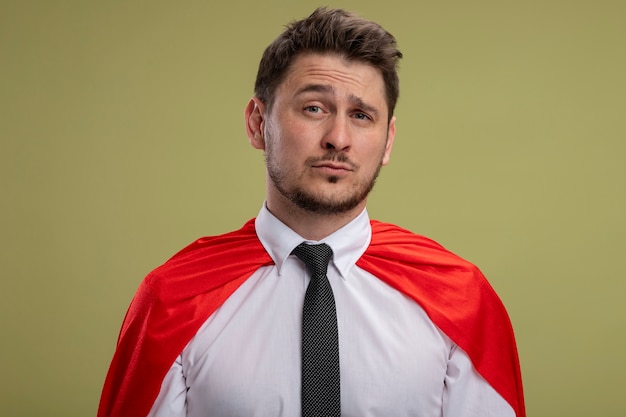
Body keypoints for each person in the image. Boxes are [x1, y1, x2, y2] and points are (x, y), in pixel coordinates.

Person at [98, 7, 525, 417]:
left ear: (388, 140)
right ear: (257, 123)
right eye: (314, 108)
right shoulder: (174, 301)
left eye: (361, 115)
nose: (338, 138)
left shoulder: (460, 301)